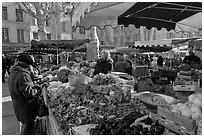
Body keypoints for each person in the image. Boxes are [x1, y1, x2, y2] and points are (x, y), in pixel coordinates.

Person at [8, 54, 42, 135]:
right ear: (28, 65)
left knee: (25, 128)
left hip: (19, 106)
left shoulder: (14, 72)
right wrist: (38, 88)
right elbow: (29, 94)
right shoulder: (23, 75)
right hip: (26, 109)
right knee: (27, 130)